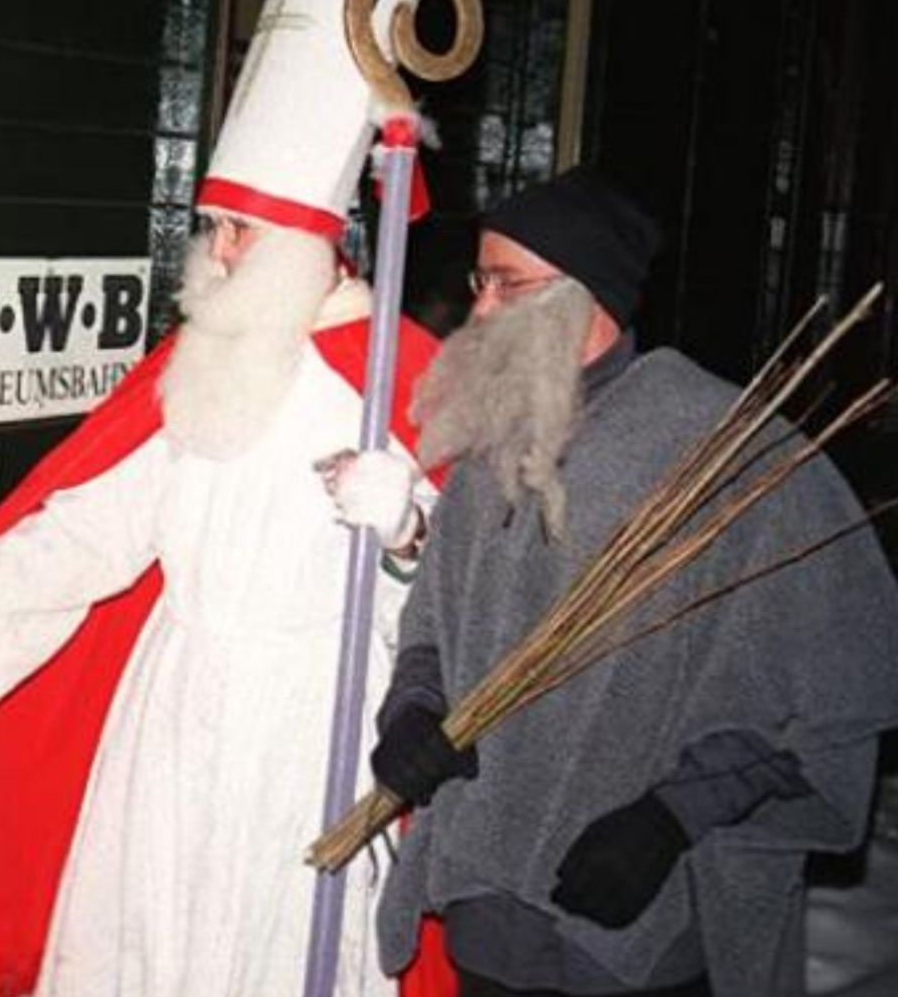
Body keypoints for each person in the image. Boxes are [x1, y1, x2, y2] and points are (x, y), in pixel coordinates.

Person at [0, 0, 454, 996]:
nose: (215, 252)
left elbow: (462, 608)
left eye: (239, 231)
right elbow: (92, 530)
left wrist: (408, 531)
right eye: (212, 226)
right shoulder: (210, 361)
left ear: (312, 244)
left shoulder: (402, 380)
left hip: (301, 741)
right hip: (174, 710)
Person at [362, 167, 898, 997]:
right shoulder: (491, 442)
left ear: (581, 301)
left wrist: (671, 816)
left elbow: (829, 684)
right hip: (486, 913)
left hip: (632, 925)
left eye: (506, 284)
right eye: (480, 280)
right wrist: (415, 711)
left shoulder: (722, 448)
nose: (479, 310)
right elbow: (434, 621)